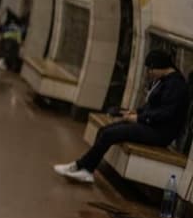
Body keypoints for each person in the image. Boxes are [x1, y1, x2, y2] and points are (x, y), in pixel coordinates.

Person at [53, 49, 190, 183]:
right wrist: (136, 112)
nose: (149, 74)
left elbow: (166, 113)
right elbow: (152, 105)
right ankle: (84, 167)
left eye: (150, 70)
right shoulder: (164, 80)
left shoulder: (176, 85)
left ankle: (84, 168)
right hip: (150, 125)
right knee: (104, 130)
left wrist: (138, 118)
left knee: (109, 134)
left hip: (160, 133)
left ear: (159, 67)